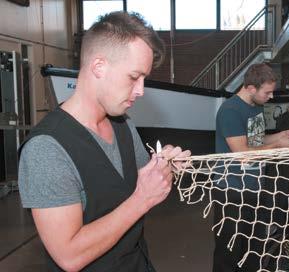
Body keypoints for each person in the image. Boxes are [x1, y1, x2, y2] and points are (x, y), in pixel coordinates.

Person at [17, 12, 190, 272]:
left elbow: (137, 184)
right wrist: (142, 198)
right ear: (99, 67)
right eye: (134, 77)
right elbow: (69, 256)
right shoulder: (47, 148)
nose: (141, 90)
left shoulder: (123, 124)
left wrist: (163, 166)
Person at [212, 63, 289, 271]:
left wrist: (281, 135)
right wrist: (278, 145)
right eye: (267, 92)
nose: (270, 97)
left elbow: (257, 141)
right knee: (229, 251)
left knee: (253, 249)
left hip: (254, 188)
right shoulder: (230, 111)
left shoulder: (257, 106)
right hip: (231, 191)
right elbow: (242, 153)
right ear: (251, 88)